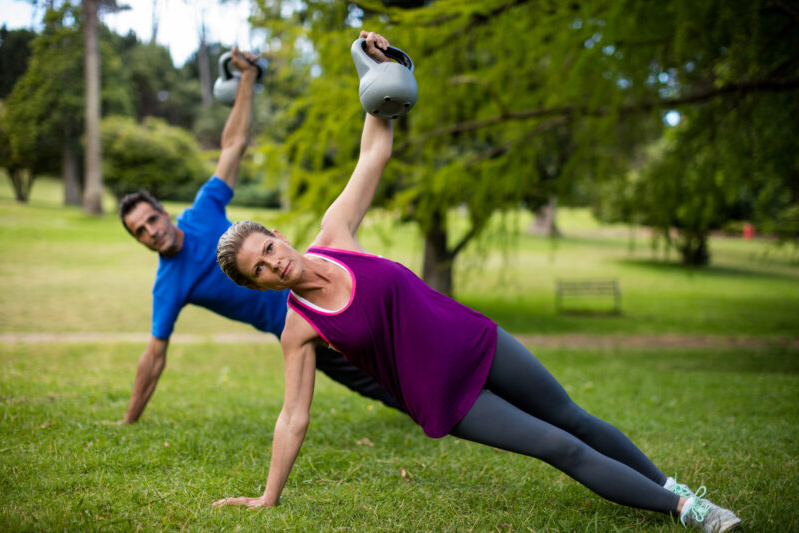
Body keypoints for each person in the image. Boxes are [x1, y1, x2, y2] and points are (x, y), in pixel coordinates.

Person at [211, 32, 741, 533]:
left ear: (278, 237)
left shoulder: (336, 233)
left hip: (476, 340)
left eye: (268, 249)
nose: (272, 264)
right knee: (559, 446)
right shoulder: (299, 328)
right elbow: (292, 418)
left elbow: (373, 153)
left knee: (573, 417)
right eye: (257, 270)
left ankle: (665, 484)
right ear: (256, 287)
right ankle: (691, 510)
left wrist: (381, 70)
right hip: (445, 393)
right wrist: (268, 496)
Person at [117, 46, 399, 425]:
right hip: (298, 328)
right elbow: (154, 355)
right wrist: (129, 419)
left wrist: (247, 79)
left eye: (151, 219)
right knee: (383, 385)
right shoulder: (168, 285)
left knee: (405, 339)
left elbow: (233, 145)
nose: (152, 231)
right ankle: (440, 412)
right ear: (140, 241)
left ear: (164, 213)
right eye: (141, 231)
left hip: (325, 288)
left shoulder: (201, 211)